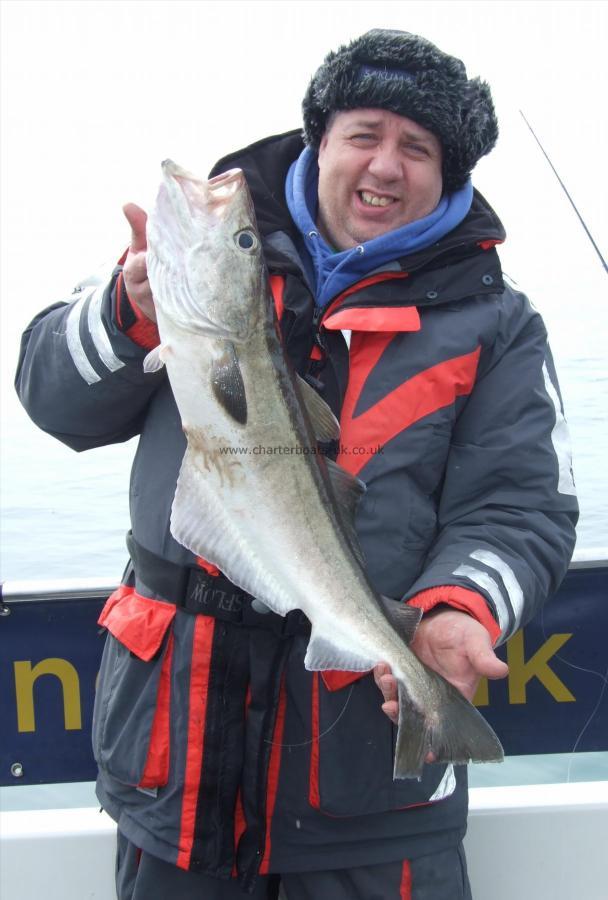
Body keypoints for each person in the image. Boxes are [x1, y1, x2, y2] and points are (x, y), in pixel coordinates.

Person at [15, 28, 577, 900]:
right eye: (363, 134)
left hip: (368, 794)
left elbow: (521, 508)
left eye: (416, 147)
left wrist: (458, 609)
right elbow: (52, 400)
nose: (384, 167)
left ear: (449, 172)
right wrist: (124, 312)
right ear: (322, 140)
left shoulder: (496, 323)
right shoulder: (193, 277)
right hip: (177, 767)